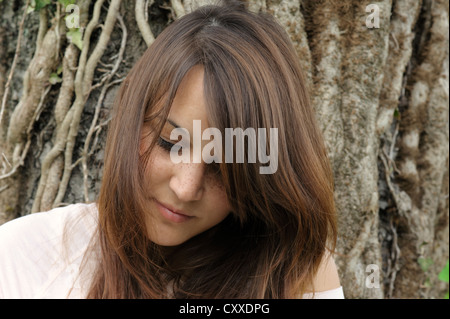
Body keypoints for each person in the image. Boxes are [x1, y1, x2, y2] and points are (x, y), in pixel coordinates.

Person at [0, 0, 344, 299]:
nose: (186, 187)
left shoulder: (292, 273)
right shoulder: (24, 257)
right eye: (169, 143)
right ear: (133, 115)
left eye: (223, 168)